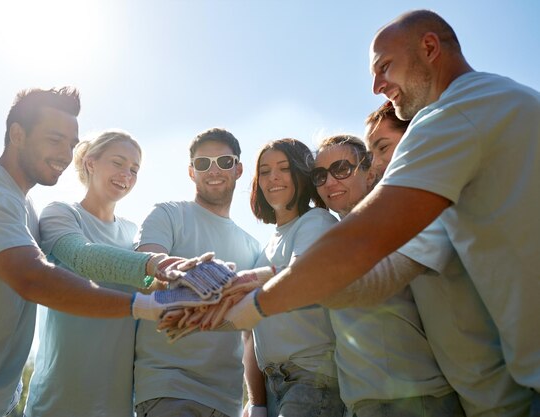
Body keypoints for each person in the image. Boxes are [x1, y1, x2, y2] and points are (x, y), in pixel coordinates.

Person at [212, 8, 540, 409]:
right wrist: (271, 278)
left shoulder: (451, 115)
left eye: (384, 67)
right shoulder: (507, 100)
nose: (376, 85)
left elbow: (365, 250)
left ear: (430, 47)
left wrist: (261, 303)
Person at [0, 87, 181, 417]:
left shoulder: (25, 207)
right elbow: (33, 278)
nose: (65, 154)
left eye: (70, 144)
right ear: (17, 135)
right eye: (54, 140)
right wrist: (146, 303)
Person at [365, 101, 533, 416]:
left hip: (508, 399)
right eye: (369, 153)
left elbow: (379, 277)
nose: (373, 164)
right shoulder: (408, 216)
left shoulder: (434, 212)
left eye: (382, 148)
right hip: (473, 399)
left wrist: (277, 289)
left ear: (416, 139)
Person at [313, 134, 463, 417]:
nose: (330, 182)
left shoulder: (397, 223)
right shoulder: (334, 240)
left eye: (342, 169)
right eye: (320, 175)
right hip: (362, 404)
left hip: (417, 401)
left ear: (369, 173)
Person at [133, 128, 260, 417]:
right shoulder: (167, 214)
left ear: (238, 169)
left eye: (224, 162)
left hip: (227, 400)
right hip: (168, 388)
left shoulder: (252, 246)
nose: (213, 170)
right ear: (192, 172)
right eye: (203, 163)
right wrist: (195, 278)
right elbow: (144, 272)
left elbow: (251, 334)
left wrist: (258, 403)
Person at [24, 130, 146, 416]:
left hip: (118, 402)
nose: (126, 174)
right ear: (91, 162)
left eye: (134, 169)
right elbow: (83, 257)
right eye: (118, 162)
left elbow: (148, 284)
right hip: (60, 395)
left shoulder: (133, 233)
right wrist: (152, 265)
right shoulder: (61, 213)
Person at [246, 138, 344, 417]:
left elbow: (299, 276)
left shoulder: (316, 222)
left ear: (302, 173)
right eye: (264, 171)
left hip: (312, 380)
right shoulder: (265, 247)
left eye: (284, 168)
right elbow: (251, 331)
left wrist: (243, 282)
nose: (273, 177)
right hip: (273, 383)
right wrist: (257, 402)